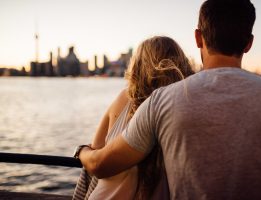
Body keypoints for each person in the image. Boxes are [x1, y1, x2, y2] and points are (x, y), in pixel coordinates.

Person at [78, 0, 261, 199]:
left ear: (198, 37)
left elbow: (102, 164)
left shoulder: (162, 101)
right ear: (249, 43)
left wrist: (82, 152)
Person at [73, 36, 194, 200]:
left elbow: (95, 154)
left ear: (137, 66)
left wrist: (81, 151)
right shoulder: (186, 106)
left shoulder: (124, 99)